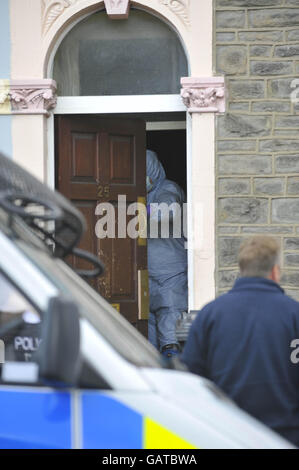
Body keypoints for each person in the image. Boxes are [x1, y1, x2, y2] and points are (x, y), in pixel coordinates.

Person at [182, 235, 299, 447]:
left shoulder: (210, 315)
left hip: (226, 435)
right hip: (285, 438)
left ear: (241, 269)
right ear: (275, 271)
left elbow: (192, 380)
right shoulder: (294, 315)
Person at [146, 150, 188, 358]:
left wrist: (135, 211)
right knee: (149, 343)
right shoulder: (140, 194)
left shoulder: (168, 188)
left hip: (170, 276)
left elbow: (167, 210)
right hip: (147, 277)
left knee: (170, 342)